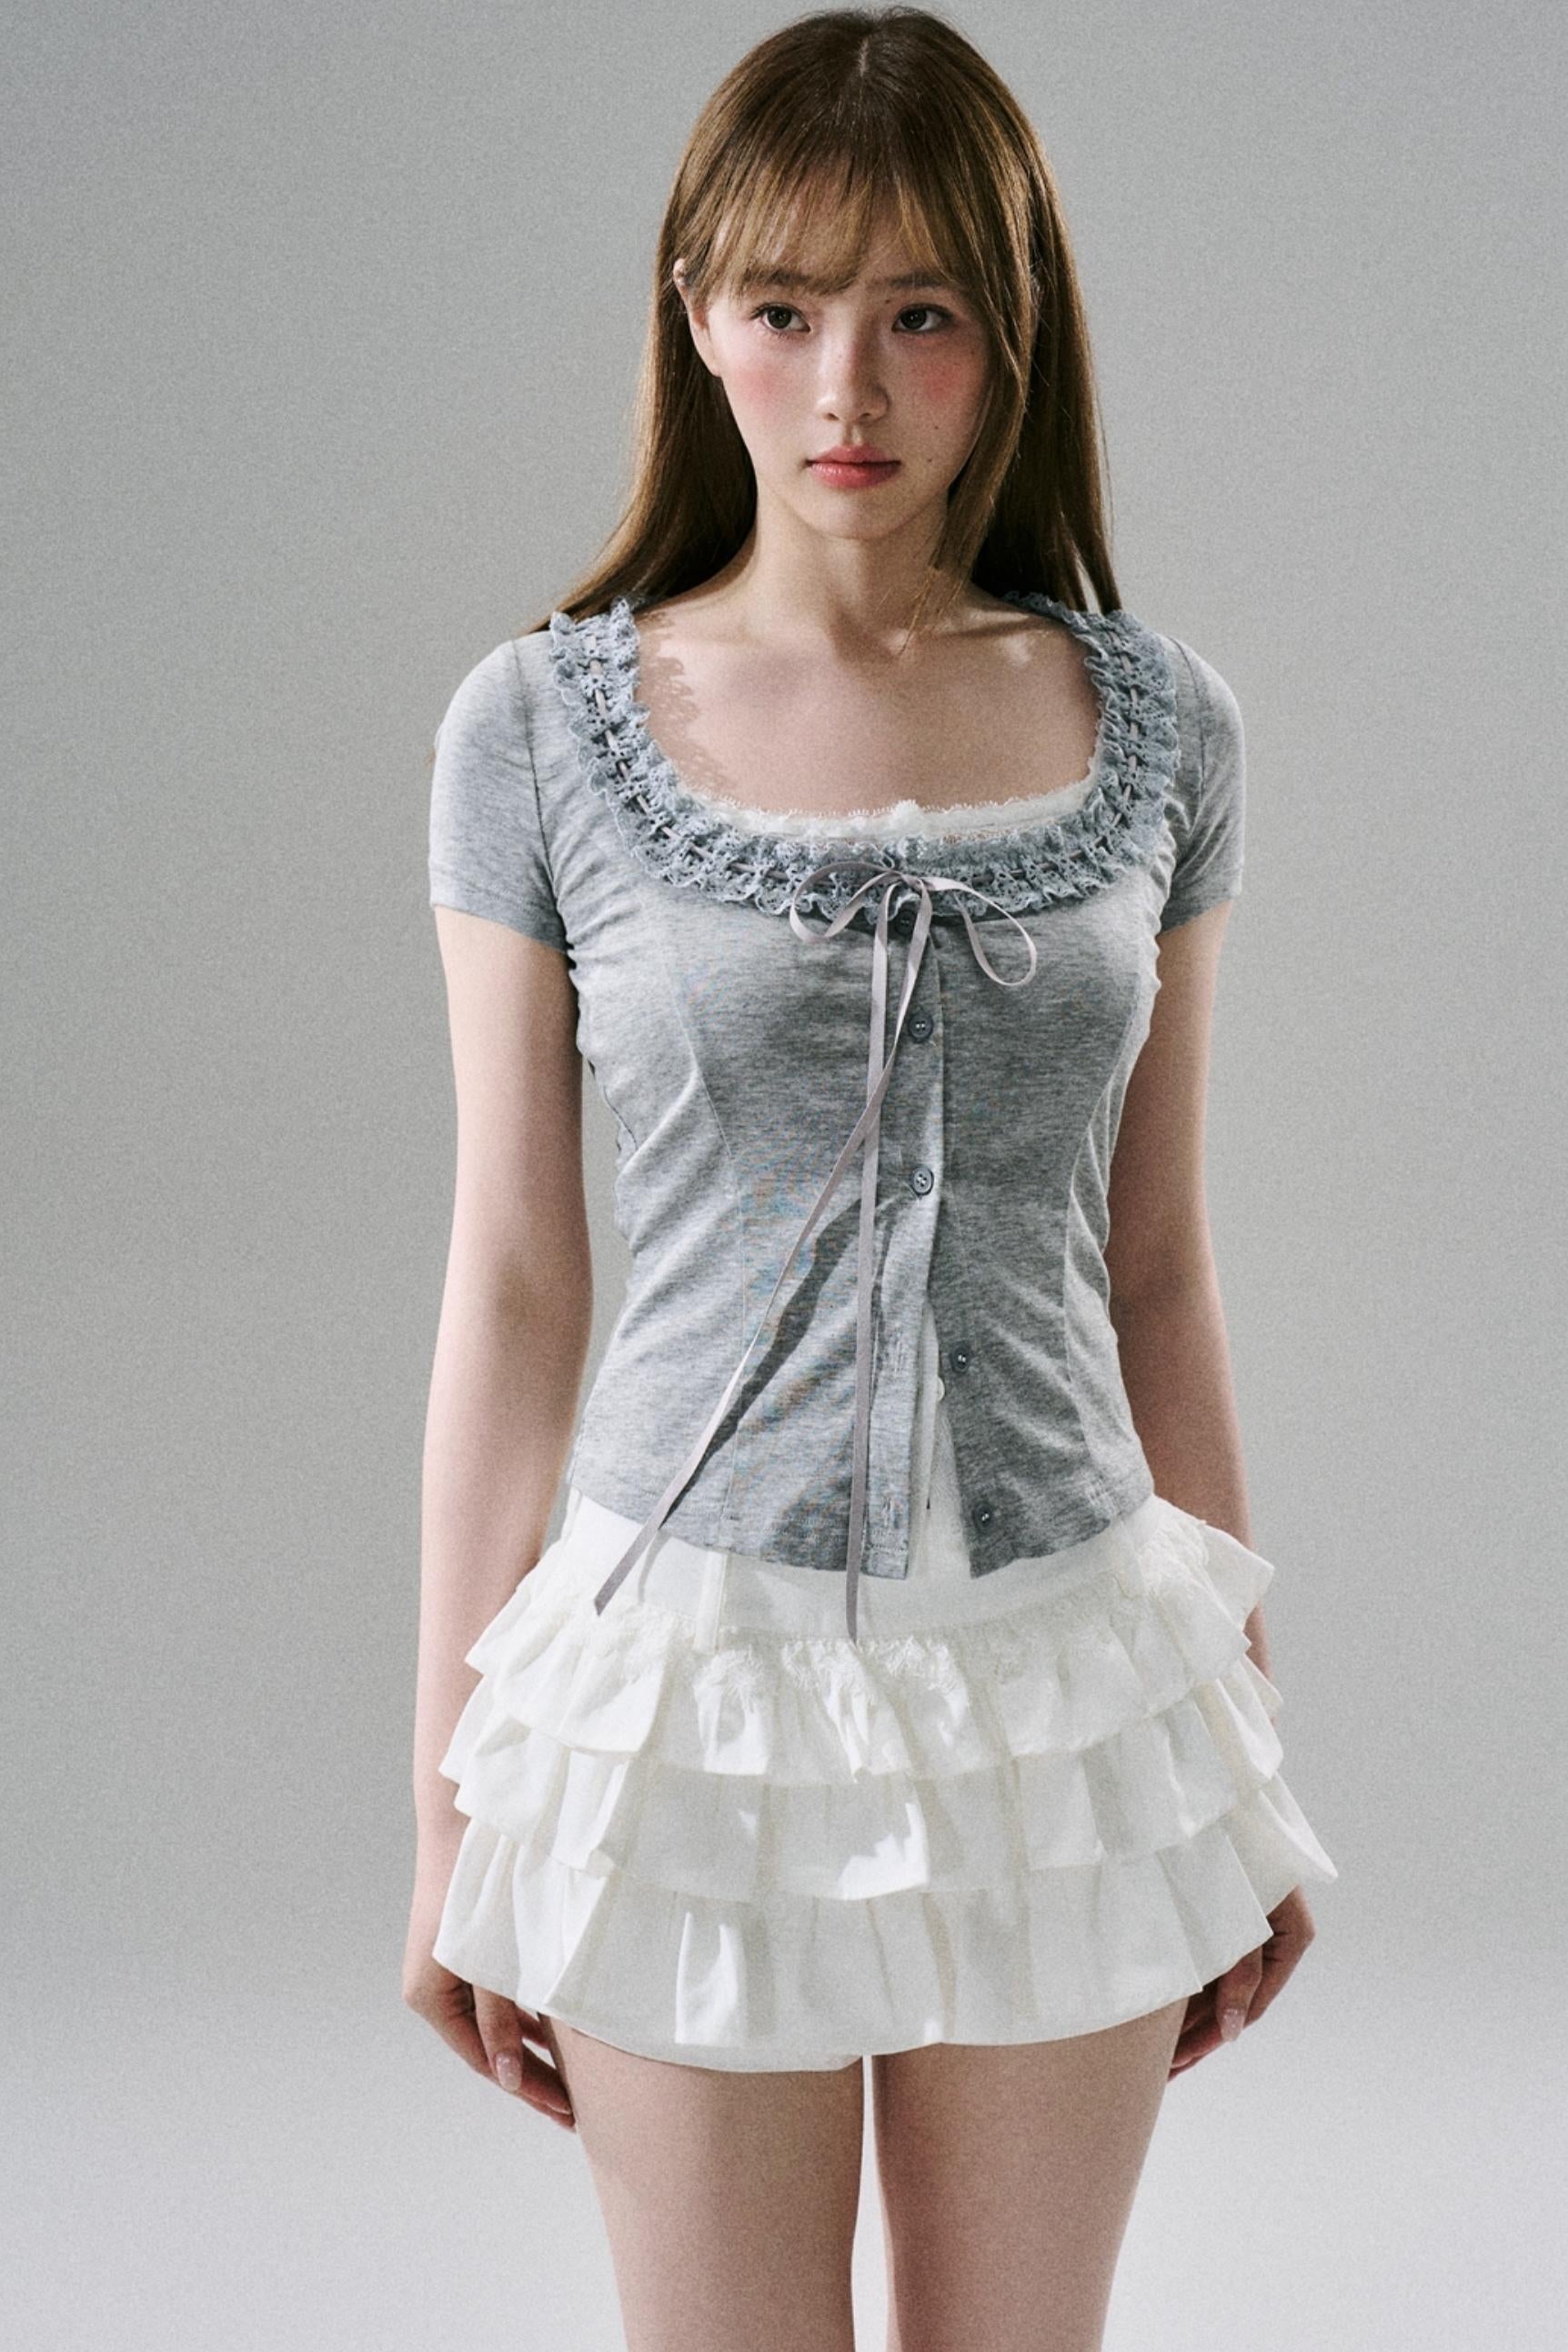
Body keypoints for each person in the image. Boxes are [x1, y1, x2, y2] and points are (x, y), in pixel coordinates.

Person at [403, 8, 1339, 2347]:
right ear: (693, 317)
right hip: (680, 1694)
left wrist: (1232, 1737)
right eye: (784, 307)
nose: (849, 389)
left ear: (1010, 335)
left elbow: (1154, 1265)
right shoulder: (536, 732)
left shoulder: (1160, 726)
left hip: (1062, 1688)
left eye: (921, 314)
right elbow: (514, 1279)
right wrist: (444, 1804)